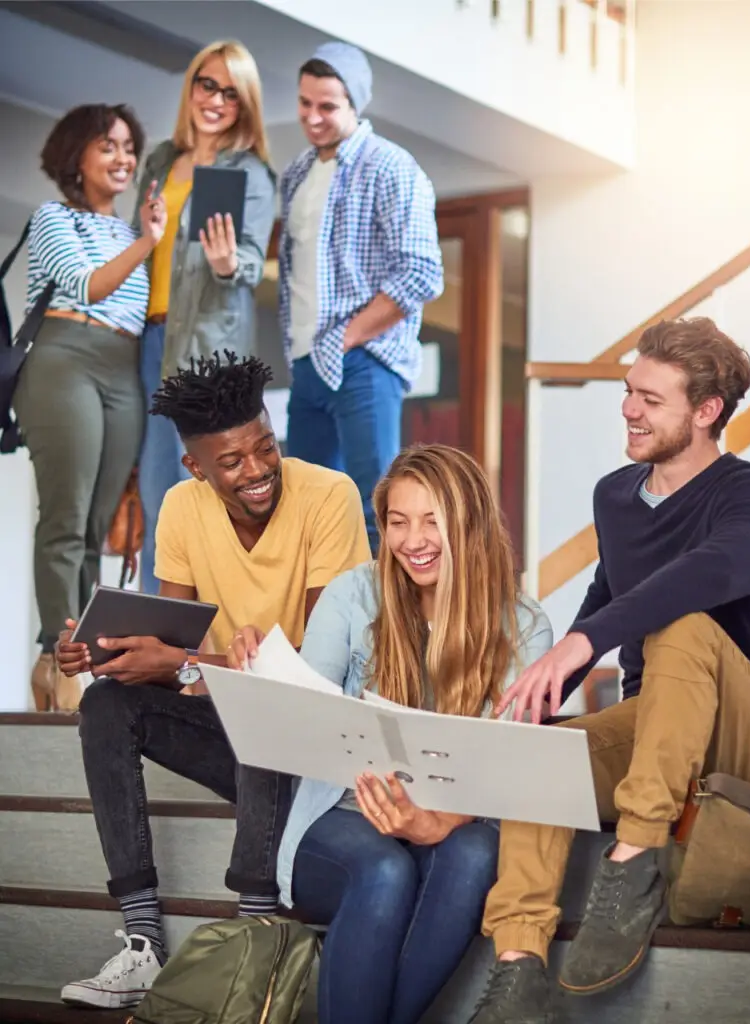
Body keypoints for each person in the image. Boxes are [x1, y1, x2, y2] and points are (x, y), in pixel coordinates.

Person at [55, 352, 371, 1009]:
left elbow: (317, 675)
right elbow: (175, 654)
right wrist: (110, 653)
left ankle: (254, 931)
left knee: (264, 703)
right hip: (242, 731)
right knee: (111, 705)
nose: (256, 470)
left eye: (265, 447)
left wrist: (184, 665)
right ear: (196, 467)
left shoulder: (330, 496)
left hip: (318, 747)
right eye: (231, 462)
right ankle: (143, 942)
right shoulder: (180, 508)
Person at [469, 317, 750, 1024]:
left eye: (650, 399)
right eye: (629, 391)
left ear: (706, 412)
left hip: (742, 729)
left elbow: (707, 571)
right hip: (654, 725)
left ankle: (632, 861)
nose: (628, 408)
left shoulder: (745, 494)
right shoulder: (615, 496)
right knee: (541, 750)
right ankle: (518, 970)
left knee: (685, 623)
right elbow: (611, 591)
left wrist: (585, 640)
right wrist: (550, 680)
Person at [226, 444, 552, 1024]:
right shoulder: (354, 594)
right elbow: (304, 708)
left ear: (469, 524)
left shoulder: (525, 626)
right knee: (385, 870)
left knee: (476, 849)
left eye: (433, 521)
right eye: (397, 523)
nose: (412, 540)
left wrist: (434, 822)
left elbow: (510, 763)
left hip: (449, 825)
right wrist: (257, 668)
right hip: (342, 820)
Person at [15, 103, 167, 713]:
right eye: (108, 145)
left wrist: (151, 240)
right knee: (66, 517)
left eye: (129, 147)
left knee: (97, 525)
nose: (123, 158)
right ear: (76, 155)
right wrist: (150, 242)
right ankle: (60, 656)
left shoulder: (133, 234)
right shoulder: (54, 217)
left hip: (121, 366)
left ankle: (79, 653)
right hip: (64, 356)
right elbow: (88, 286)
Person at [279, 41, 444, 554]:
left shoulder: (391, 167)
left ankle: (388, 635)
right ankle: (319, 635)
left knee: (380, 512)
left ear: (356, 103)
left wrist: (348, 337)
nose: (312, 116)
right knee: (305, 517)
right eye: (305, 103)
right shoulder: (296, 174)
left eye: (327, 106)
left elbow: (422, 272)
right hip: (306, 364)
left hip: (364, 362)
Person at [135, 39, 277, 594]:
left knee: (195, 492)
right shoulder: (161, 161)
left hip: (207, 349)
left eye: (230, 93)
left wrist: (228, 261)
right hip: (150, 338)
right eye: (206, 84)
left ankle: (199, 641)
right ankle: (148, 640)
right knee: (155, 492)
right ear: (191, 86)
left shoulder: (250, 172)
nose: (215, 99)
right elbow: (140, 245)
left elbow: (246, 258)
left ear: (245, 105)